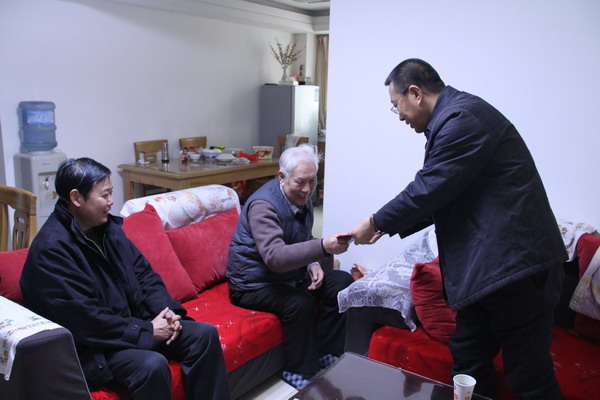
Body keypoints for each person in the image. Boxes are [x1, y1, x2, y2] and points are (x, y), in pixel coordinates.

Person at [351, 59, 567, 399]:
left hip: (517, 271)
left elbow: (429, 189)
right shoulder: (454, 118)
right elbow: (444, 194)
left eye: (396, 105)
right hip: (488, 273)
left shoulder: (464, 119)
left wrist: (376, 221)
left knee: (529, 380)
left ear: (415, 93)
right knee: (467, 364)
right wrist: (384, 228)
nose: (400, 116)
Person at [20, 158, 231, 400]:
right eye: (105, 195)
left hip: (132, 328)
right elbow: (86, 320)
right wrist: (147, 331)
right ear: (76, 198)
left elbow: (145, 275)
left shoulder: (107, 229)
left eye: (111, 193)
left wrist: (168, 312)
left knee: (203, 335)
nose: (111, 201)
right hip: (94, 346)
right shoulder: (52, 251)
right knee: (151, 365)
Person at [227, 144, 354, 390]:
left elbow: (300, 237)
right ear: (282, 177)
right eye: (300, 182)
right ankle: (299, 370)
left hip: (285, 276)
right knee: (299, 302)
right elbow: (275, 257)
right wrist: (322, 247)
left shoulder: (300, 196)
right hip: (253, 284)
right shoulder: (263, 206)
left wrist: (312, 262)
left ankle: (326, 353)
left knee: (341, 282)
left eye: (312, 181)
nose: (307, 189)